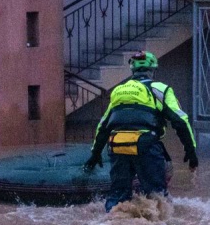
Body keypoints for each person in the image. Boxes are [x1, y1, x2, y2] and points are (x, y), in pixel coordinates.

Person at [83, 50, 198, 212]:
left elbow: (103, 126)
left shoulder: (119, 90)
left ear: (132, 71)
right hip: (146, 144)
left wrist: (95, 154)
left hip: (117, 146)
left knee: (118, 196)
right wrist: (190, 150)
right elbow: (180, 121)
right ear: (153, 71)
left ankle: (111, 223)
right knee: (156, 197)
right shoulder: (160, 89)